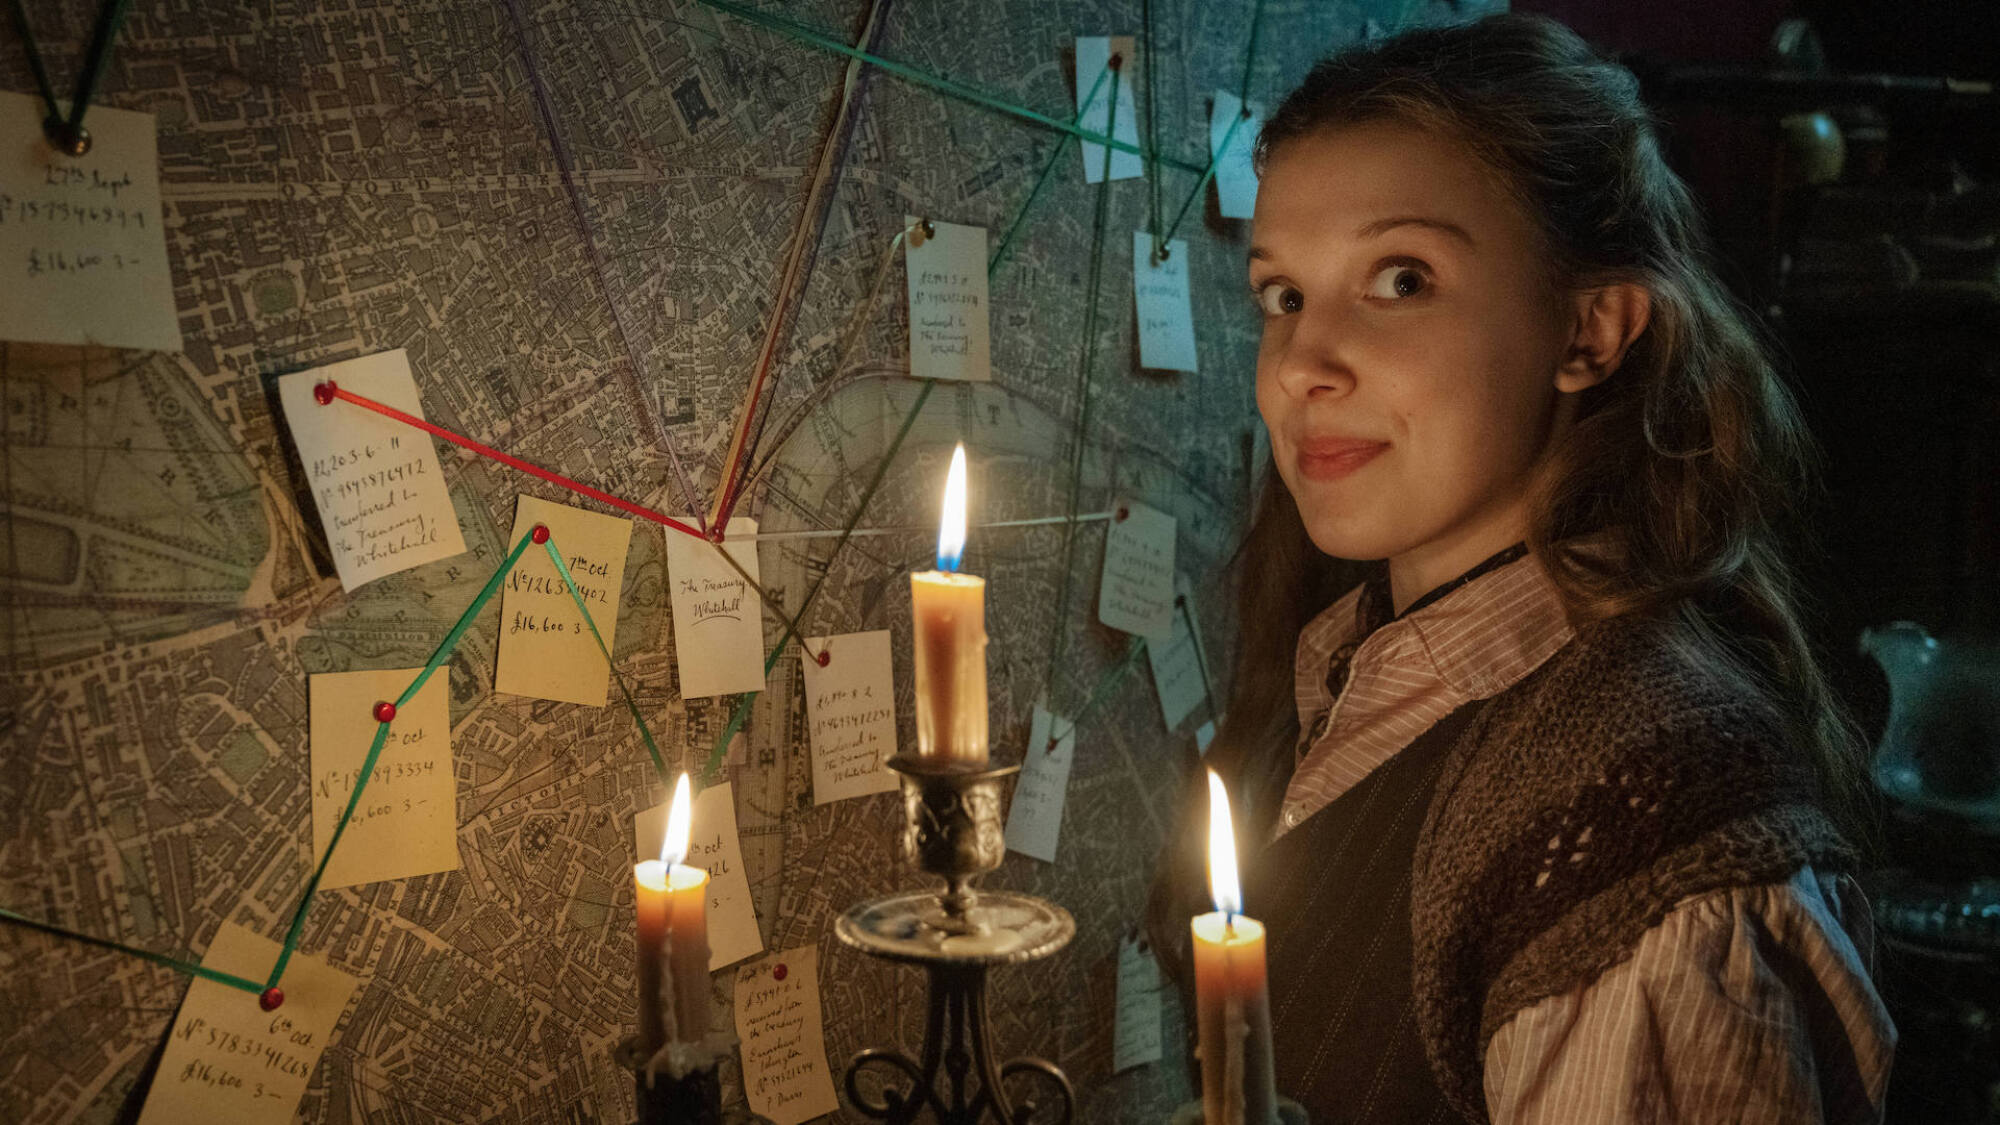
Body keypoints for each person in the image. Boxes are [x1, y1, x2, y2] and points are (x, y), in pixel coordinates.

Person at [1145, 14, 1896, 1124]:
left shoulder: (1644, 865)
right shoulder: (1347, 669)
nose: (1302, 362)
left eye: (1400, 280)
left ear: (1587, 331)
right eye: (1282, 295)